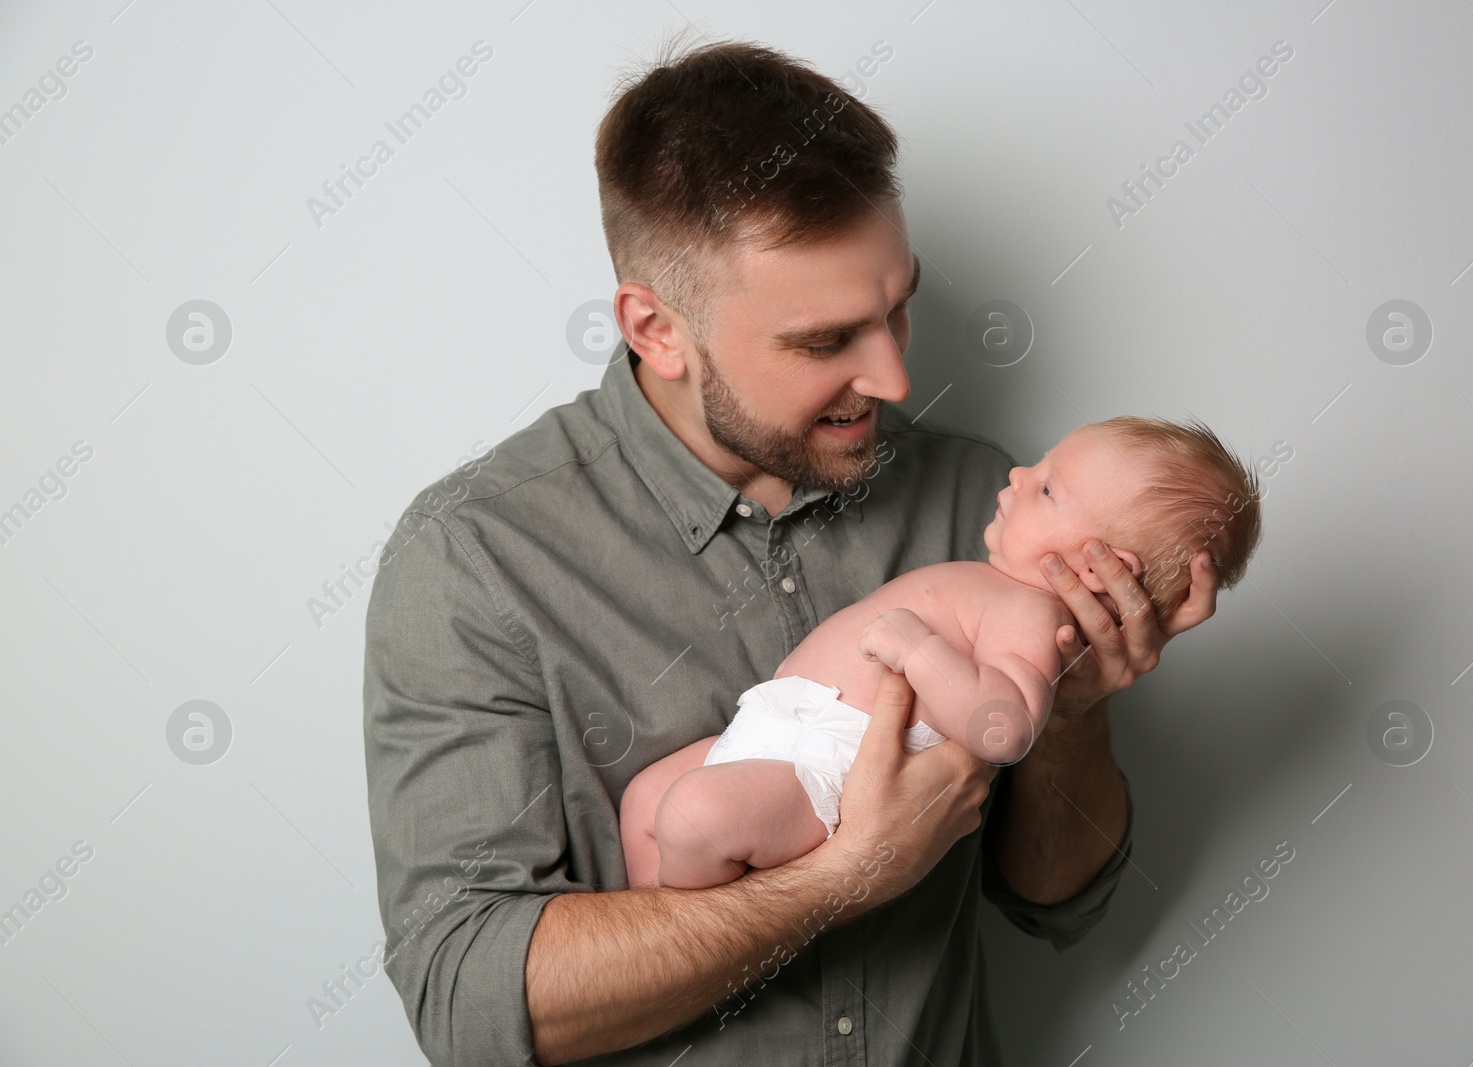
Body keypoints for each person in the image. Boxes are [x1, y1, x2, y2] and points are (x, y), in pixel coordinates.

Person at [363, 37, 1220, 1066]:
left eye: (898, 306)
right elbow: (472, 1004)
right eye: (826, 341)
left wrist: (1076, 715)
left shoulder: (979, 506)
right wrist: (845, 874)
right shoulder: (474, 560)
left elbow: (1055, 902)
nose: (896, 376)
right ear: (658, 329)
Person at [621, 418, 1261, 889]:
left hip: (826, 767)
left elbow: (1005, 728)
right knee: (646, 799)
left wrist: (921, 650)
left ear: (1100, 569)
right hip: (777, 729)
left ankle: (696, 944)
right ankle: (662, 934)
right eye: (1039, 465)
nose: (1016, 475)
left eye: (1047, 491)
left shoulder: (1032, 616)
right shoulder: (995, 583)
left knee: (694, 815)